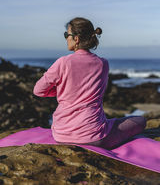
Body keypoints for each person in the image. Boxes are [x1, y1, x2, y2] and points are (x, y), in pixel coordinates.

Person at [33, 17, 146, 149]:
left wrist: (63, 91)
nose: (66, 38)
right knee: (141, 120)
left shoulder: (62, 62)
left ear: (76, 39)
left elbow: (38, 90)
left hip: (62, 135)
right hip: (95, 137)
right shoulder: (103, 64)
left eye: (66, 35)